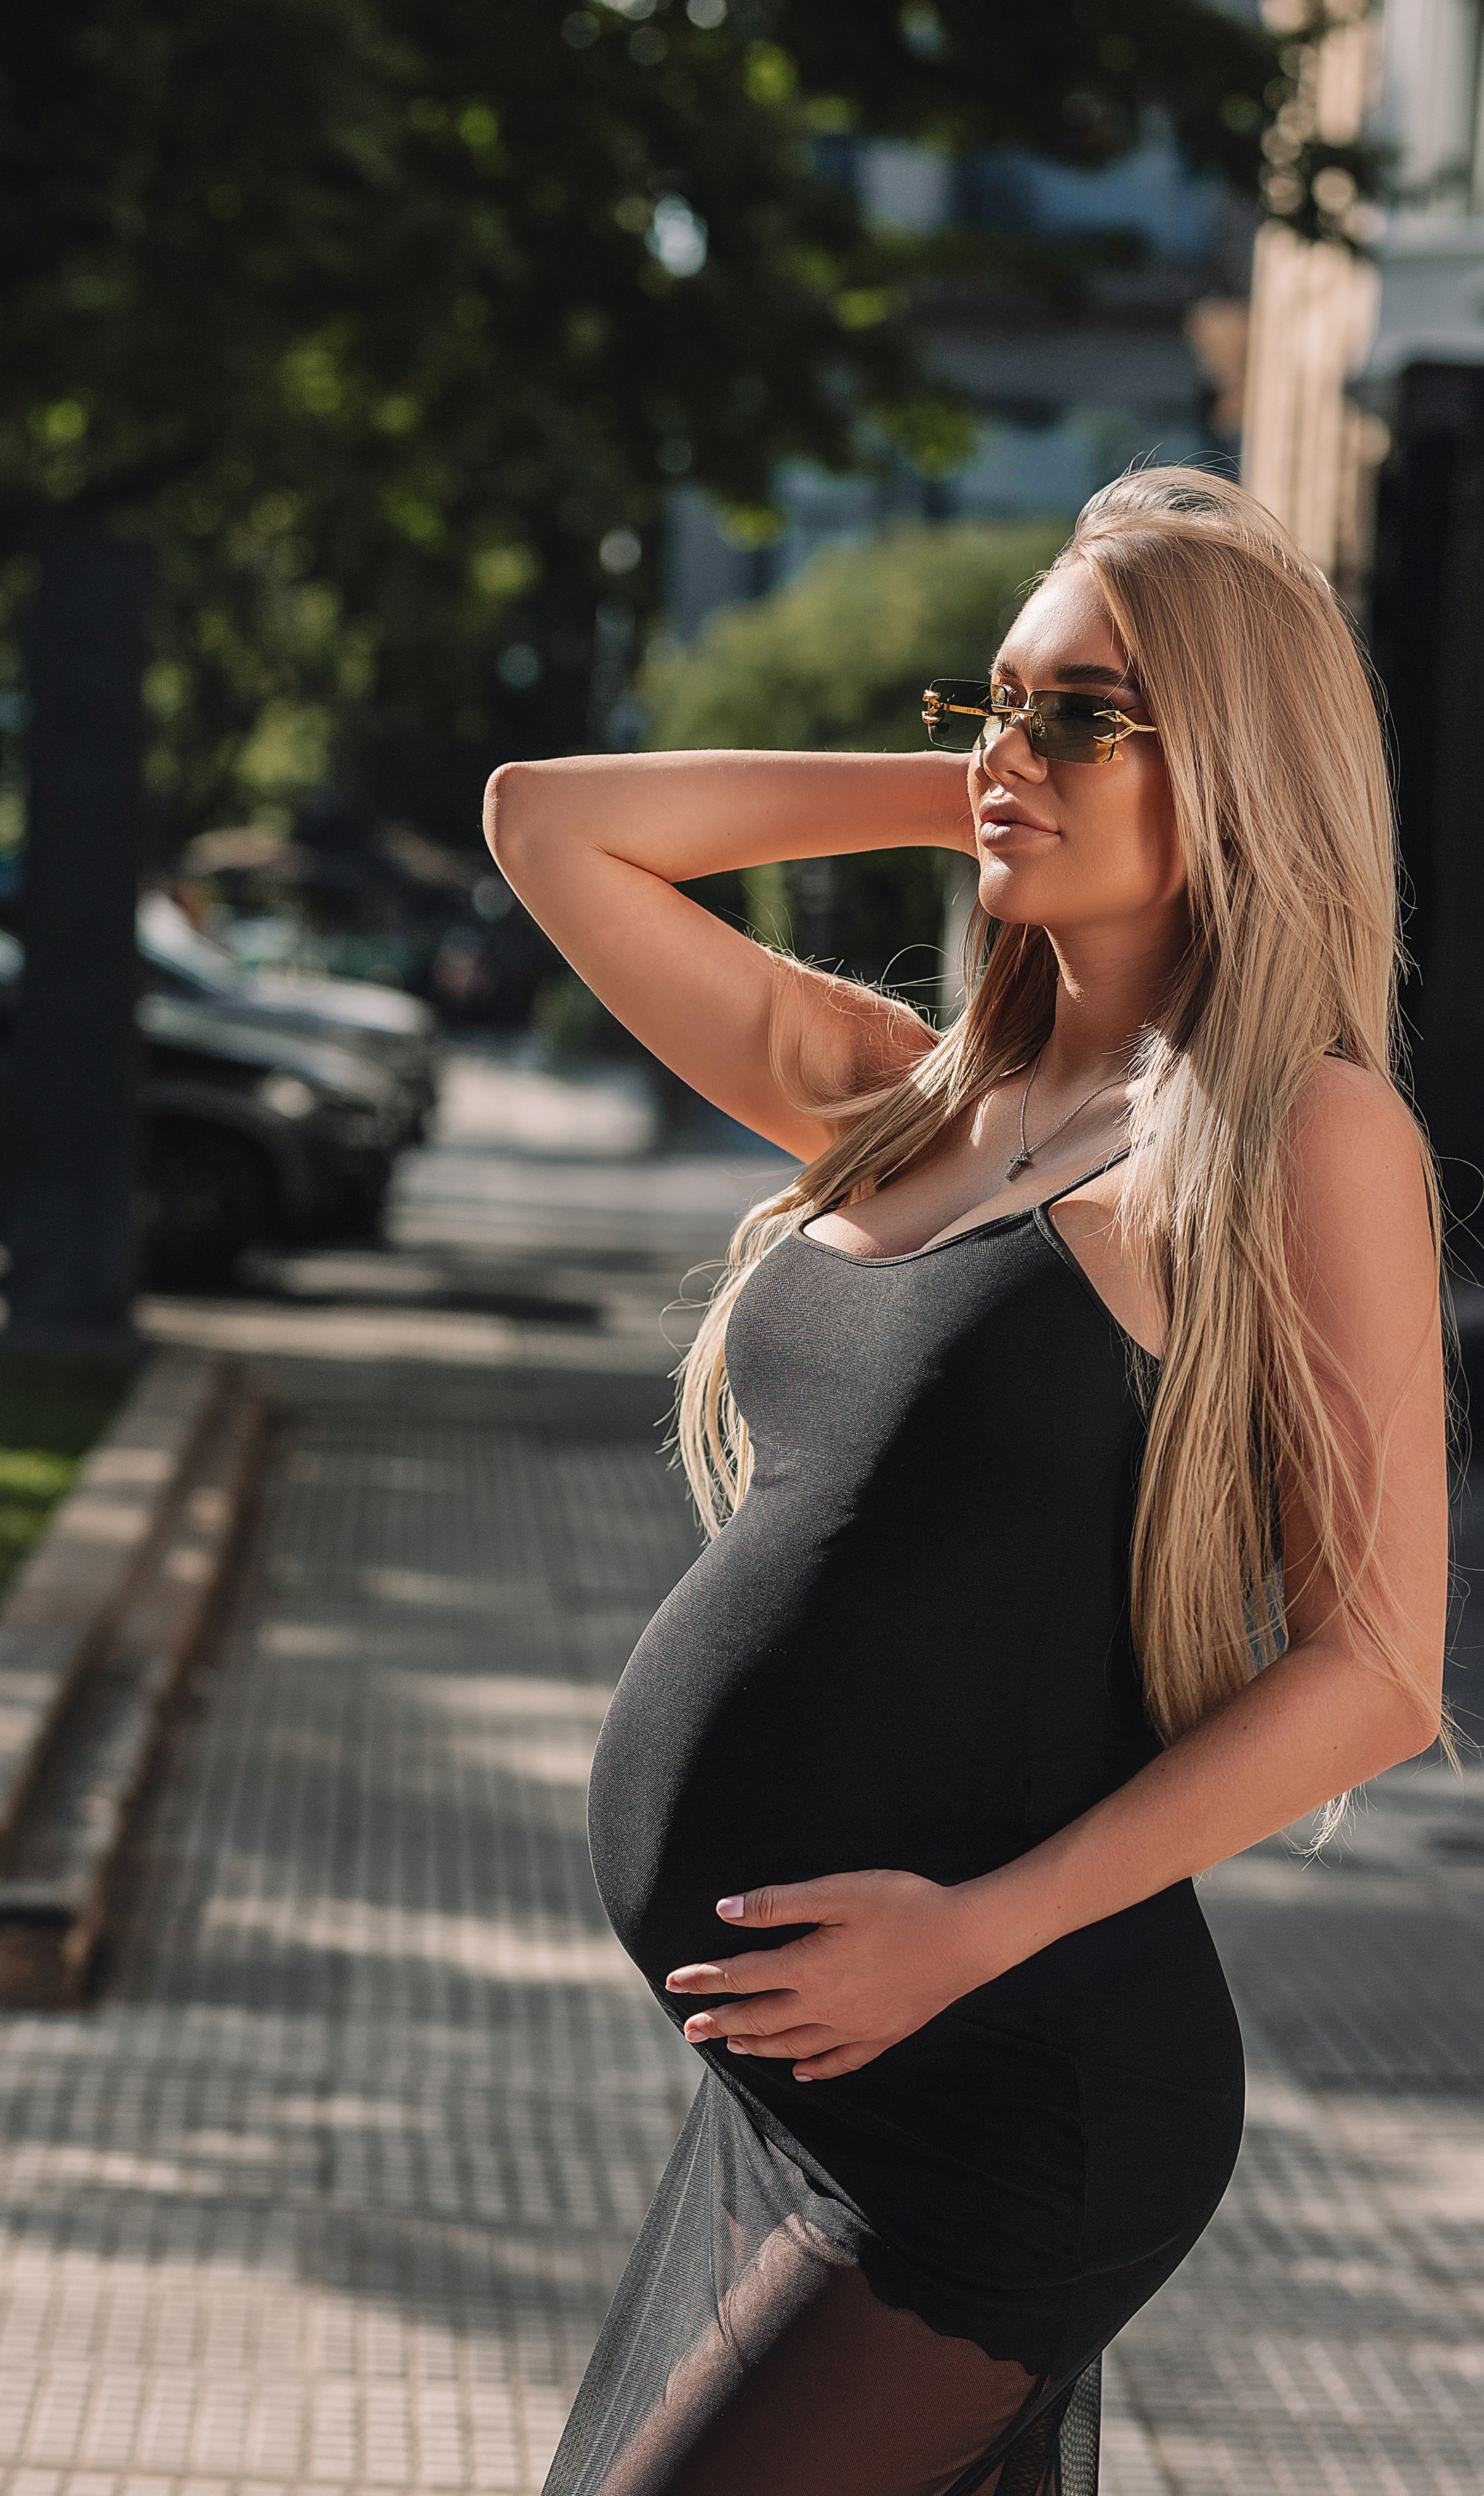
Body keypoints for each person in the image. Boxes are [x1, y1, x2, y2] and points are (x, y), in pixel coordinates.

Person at [482, 469, 1449, 2496]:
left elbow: (1374, 1667)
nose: (1008, 752)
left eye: (1086, 713)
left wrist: (972, 1935)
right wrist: (1000, 789)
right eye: (992, 703)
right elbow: (550, 823)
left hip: (1015, 2078)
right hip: (812, 2081)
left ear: (1243, 767)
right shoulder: (910, 1101)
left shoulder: (1296, 1135)